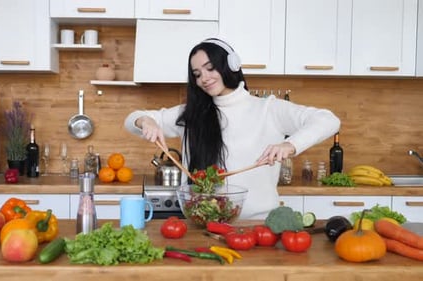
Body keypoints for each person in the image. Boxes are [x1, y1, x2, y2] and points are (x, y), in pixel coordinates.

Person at [124, 38, 340, 219]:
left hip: (258, 225)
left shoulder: (269, 109)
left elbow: (328, 120)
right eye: (197, 74)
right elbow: (132, 119)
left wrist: (290, 145)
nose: (204, 78)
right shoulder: (192, 114)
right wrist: (146, 121)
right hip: (203, 224)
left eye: (210, 68)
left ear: (231, 65)